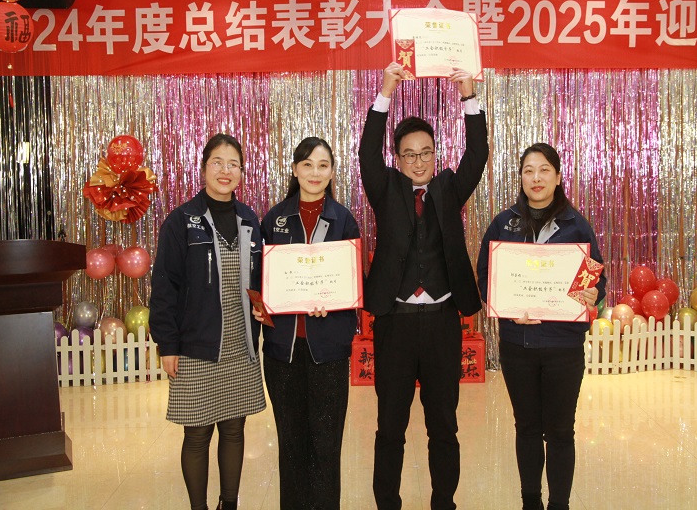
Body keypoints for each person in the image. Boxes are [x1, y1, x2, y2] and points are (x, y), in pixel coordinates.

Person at [358, 62, 489, 510]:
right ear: (398, 158)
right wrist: (386, 90)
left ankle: (443, 503)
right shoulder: (386, 189)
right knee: (390, 428)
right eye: (409, 154)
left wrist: (468, 95)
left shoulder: (450, 188)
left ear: (435, 154)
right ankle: (387, 504)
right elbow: (367, 153)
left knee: (444, 426)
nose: (418, 161)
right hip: (394, 324)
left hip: (441, 324)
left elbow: (478, 154)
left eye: (426, 153)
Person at [476, 143, 606, 510]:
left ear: (558, 177)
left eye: (544, 170)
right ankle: (530, 502)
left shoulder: (576, 225)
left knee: (561, 431)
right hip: (518, 344)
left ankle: (559, 504)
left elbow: (596, 280)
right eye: (529, 170)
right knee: (527, 427)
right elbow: (486, 274)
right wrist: (506, 308)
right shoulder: (504, 223)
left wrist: (592, 293)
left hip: (564, 347)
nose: (536, 178)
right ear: (520, 177)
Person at [149, 133, 266, 510]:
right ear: (203, 169)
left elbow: (262, 278)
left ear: (242, 172)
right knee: (197, 435)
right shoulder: (182, 221)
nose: (225, 170)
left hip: (240, 346)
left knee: (234, 430)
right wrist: (167, 345)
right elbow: (164, 286)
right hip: (196, 346)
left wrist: (265, 307)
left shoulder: (249, 219)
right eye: (217, 162)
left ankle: (228, 504)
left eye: (233, 164)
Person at [255, 137, 360, 510]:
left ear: (332, 172)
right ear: (295, 169)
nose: (315, 173)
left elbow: (354, 282)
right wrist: (261, 307)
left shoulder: (343, 219)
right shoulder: (275, 219)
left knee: (327, 443)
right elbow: (259, 279)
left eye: (323, 165)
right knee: (291, 442)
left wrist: (334, 302)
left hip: (328, 350)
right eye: (308, 165)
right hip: (282, 351)